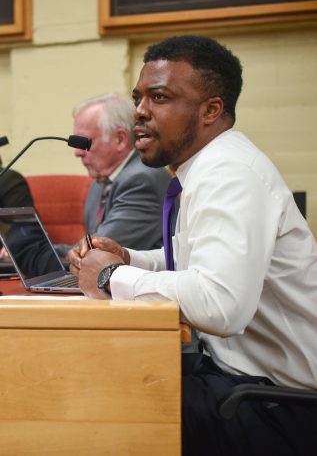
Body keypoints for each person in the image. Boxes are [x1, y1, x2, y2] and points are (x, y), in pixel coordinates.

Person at [69, 36, 317, 455]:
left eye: (159, 97)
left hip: (277, 405)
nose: (140, 112)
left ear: (211, 110)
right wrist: (131, 258)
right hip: (240, 381)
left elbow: (221, 304)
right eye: (139, 98)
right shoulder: (205, 168)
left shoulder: (230, 173)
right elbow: (191, 262)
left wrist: (111, 275)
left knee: (98, 409)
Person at [58, 93, 173, 260]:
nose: (77, 153)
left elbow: (97, 253)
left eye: (84, 143)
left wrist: (33, 255)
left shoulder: (142, 180)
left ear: (120, 139)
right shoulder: (100, 183)